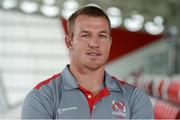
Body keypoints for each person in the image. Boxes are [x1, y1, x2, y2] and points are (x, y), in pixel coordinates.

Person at [21, 6, 154, 119]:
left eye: (102, 36)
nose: (94, 44)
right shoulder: (41, 98)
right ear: (69, 42)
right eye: (85, 35)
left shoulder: (135, 99)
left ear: (110, 42)